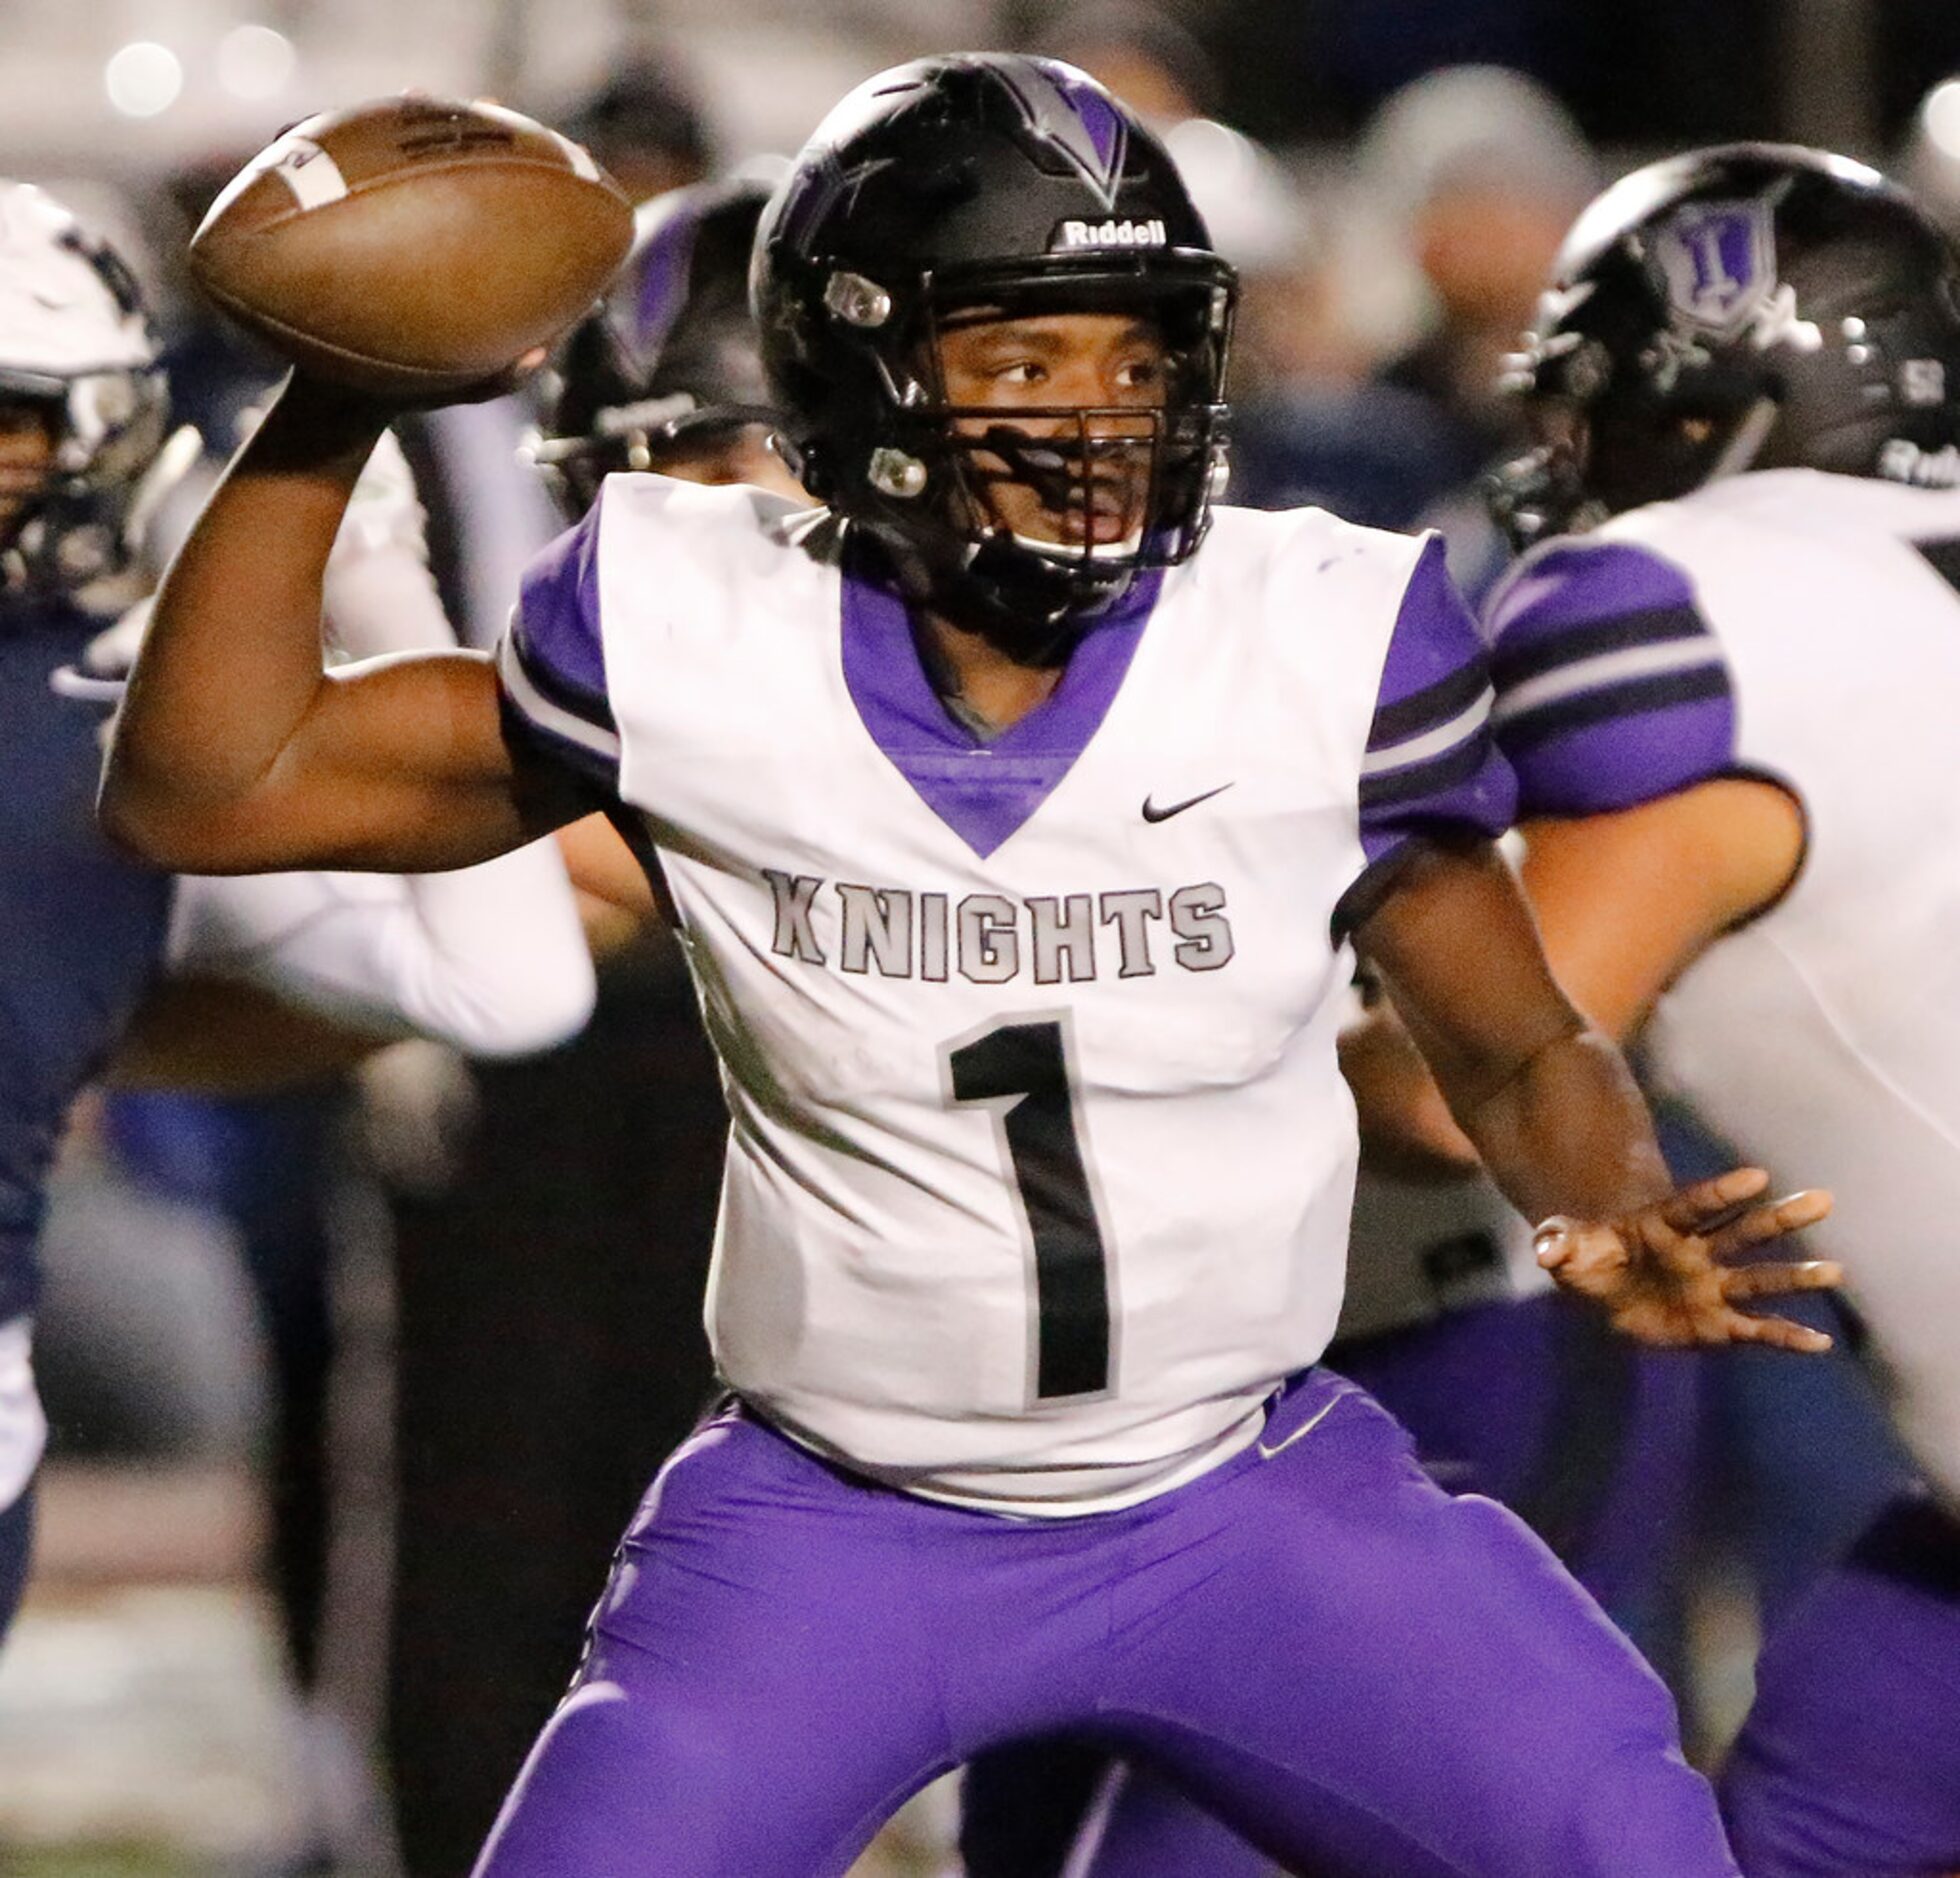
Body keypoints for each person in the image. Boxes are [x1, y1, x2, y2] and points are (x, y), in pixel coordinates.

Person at [104, 58, 1841, 1878]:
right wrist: (331, 407)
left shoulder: (1316, 638)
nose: (1099, 417)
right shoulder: (702, 627)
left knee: (1626, 1841)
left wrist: (1599, 1197)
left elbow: (1508, 1039)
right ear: (862, 376)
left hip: (1237, 1495)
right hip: (837, 1521)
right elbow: (213, 784)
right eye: (1025, 360)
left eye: (1137, 355)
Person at [1355, 142, 1960, 1878]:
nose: (1560, 454)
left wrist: (1159, 1037)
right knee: (1823, 1801)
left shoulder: (1694, 603)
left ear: (1706, 397)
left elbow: (1452, 1084)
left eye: (1591, 403)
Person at [0, 179, 595, 1635]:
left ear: (104, 434)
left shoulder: (115, 710)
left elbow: (509, 985)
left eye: (8, 420)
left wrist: (383, 587)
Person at [382, 173, 793, 1874]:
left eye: (722, 456)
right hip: (590, 1099)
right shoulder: (598, 670)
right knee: (516, 1532)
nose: (687, 515)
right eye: (653, 469)